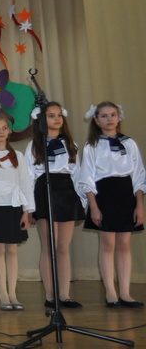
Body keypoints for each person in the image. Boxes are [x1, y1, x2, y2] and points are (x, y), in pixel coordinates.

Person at [77, 102, 145, 308]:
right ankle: (110, 292)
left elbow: (138, 175)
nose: (109, 119)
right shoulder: (92, 145)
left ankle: (125, 292)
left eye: (113, 115)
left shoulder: (129, 143)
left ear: (119, 117)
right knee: (108, 245)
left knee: (124, 244)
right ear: (97, 120)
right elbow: (87, 177)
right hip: (104, 195)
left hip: (126, 194)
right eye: (104, 116)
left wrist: (139, 205)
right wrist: (94, 206)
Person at [24, 102, 85, 309]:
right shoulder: (34, 146)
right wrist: (29, 207)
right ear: (42, 120)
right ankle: (51, 296)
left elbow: (77, 174)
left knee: (63, 247)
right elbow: (28, 177)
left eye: (59, 115)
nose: (57, 119)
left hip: (66, 190)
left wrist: (80, 201)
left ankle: (65, 295)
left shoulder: (71, 144)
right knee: (49, 246)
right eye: (51, 115)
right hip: (44, 190)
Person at [0, 114, 33, 311]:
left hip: (14, 207)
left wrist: (27, 211)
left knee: (12, 250)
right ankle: (3, 293)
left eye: (4, 128)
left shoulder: (17, 156)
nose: (1, 132)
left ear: (9, 131)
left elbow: (25, 184)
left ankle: (13, 293)